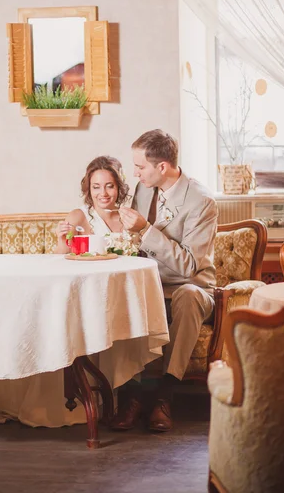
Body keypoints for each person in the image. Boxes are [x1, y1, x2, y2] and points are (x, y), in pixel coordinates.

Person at [111, 129, 217, 433]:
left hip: (192, 287)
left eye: (140, 167)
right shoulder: (144, 189)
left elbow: (189, 266)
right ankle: (131, 397)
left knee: (188, 295)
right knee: (124, 295)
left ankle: (164, 397)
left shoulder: (201, 201)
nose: (135, 173)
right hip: (151, 285)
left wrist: (145, 231)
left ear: (162, 167)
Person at [55, 155, 130, 251]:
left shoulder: (128, 218)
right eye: (96, 187)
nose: (103, 193)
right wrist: (61, 239)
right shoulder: (77, 217)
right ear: (89, 189)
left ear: (119, 187)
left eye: (109, 186)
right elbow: (61, 260)